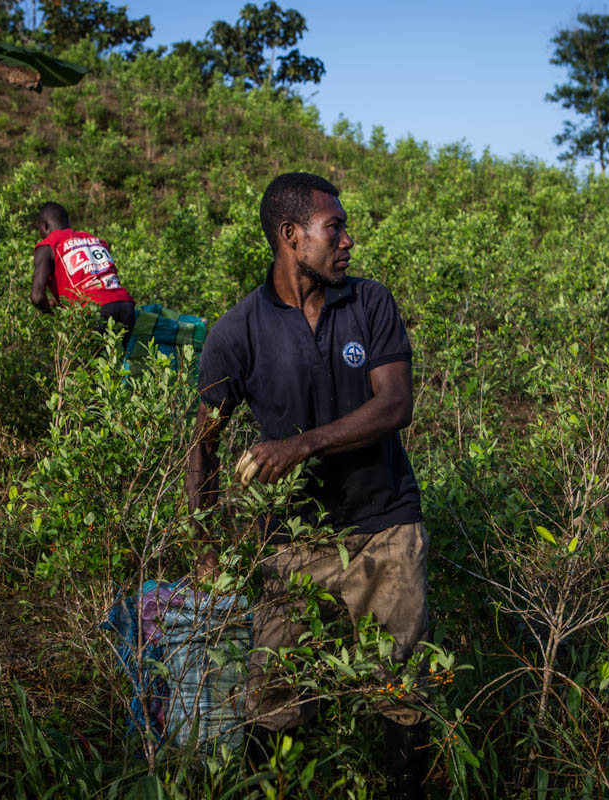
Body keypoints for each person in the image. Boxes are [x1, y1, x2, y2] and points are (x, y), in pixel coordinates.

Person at [185, 173, 429, 799]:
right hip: (291, 547)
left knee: (399, 696)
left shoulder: (369, 303)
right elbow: (201, 446)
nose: (348, 240)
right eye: (335, 228)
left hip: (385, 532)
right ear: (293, 237)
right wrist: (205, 544)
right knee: (276, 701)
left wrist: (300, 444)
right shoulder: (236, 332)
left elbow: (395, 405)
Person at [31, 202, 136, 340]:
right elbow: (92, 277)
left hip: (94, 311)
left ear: (45, 226)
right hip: (125, 305)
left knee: (86, 360)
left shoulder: (49, 244)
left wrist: (51, 315)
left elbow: (37, 297)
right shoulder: (94, 240)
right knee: (118, 358)